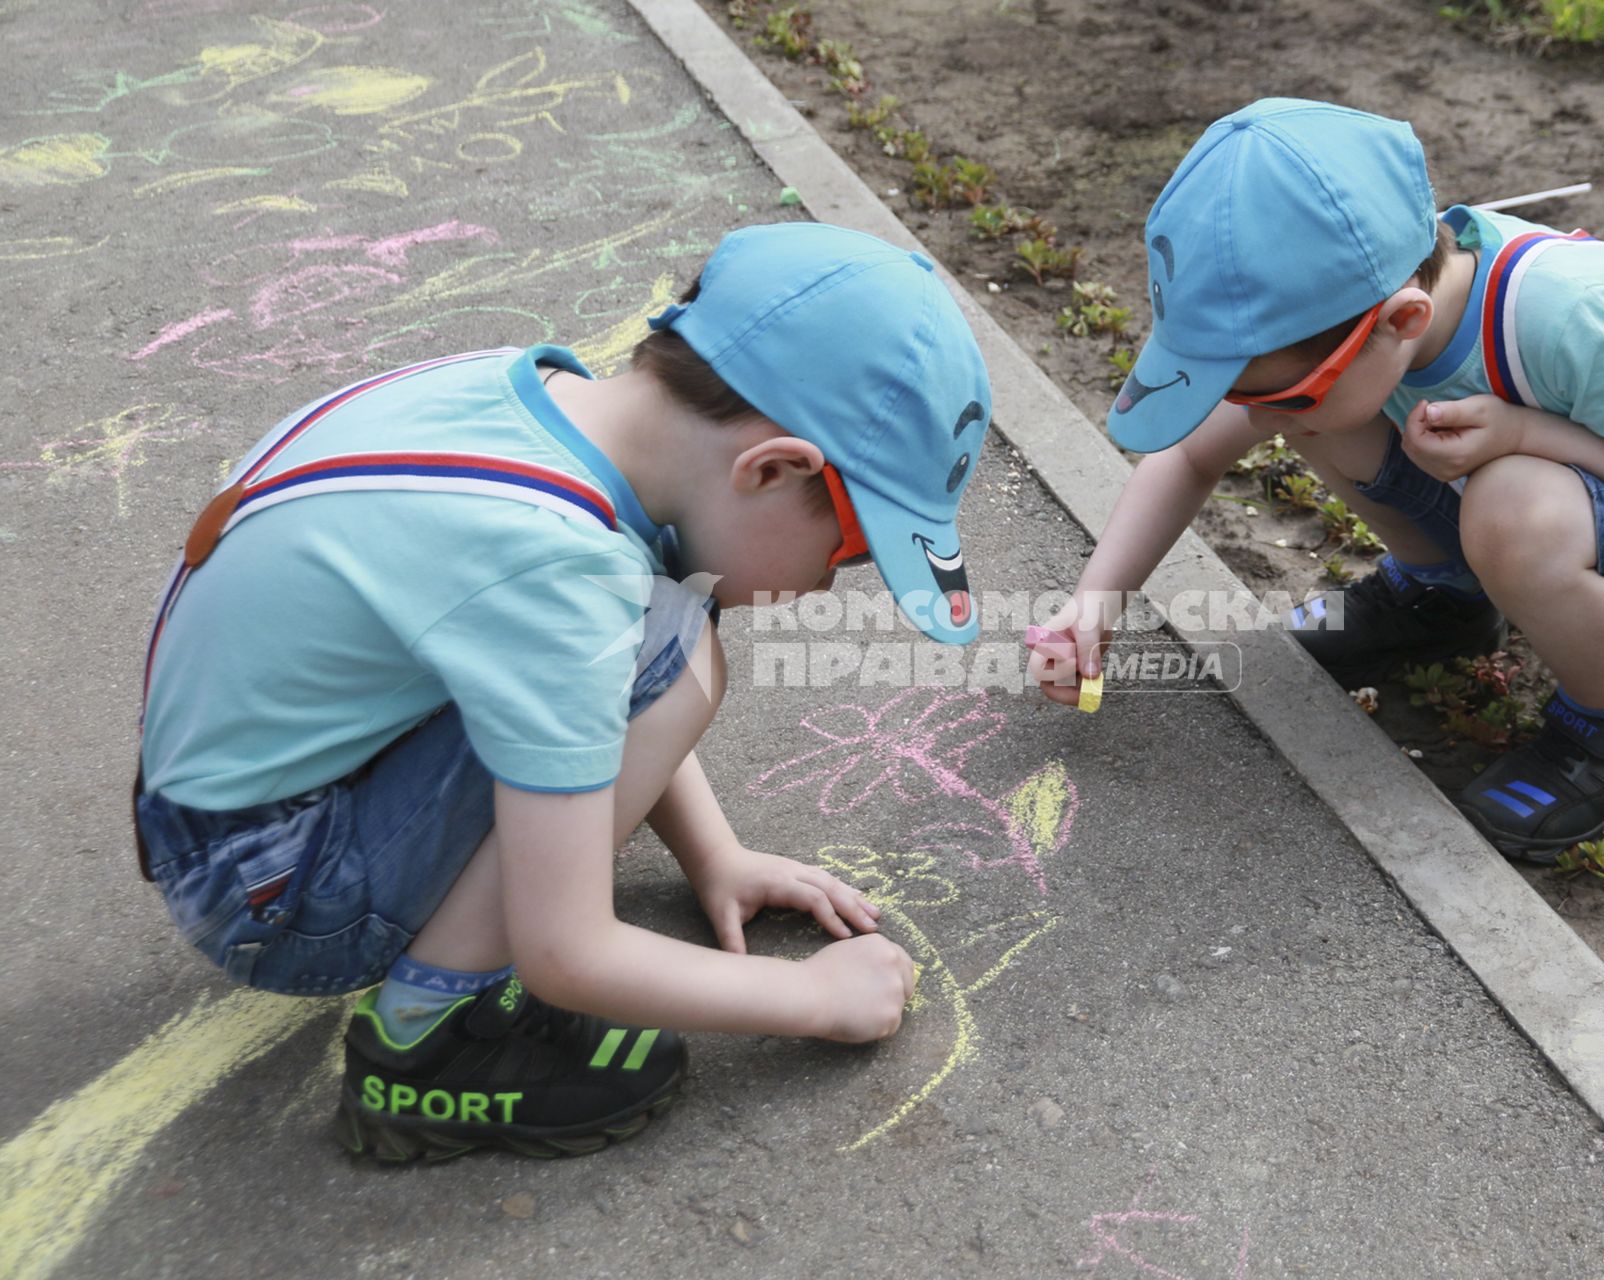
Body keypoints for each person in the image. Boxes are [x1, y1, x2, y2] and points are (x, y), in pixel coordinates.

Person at [135, 222, 994, 1161]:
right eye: (850, 549)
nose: (830, 585)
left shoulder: (533, 401)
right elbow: (568, 951)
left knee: (660, 628)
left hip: (226, 816)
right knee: (684, 645)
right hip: (282, 889)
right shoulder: (565, 573)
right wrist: (817, 1001)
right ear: (773, 468)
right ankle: (425, 1048)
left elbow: (571, 678)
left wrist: (717, 857)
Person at [1029, 98, 1604, 862]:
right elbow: (1193, 454)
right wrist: (1096, 602)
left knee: (1511, 497)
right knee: (1342, 418)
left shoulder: (1571, 316)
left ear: (1402, 321)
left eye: (1270, 393)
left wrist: (1528, 433)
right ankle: (1446, 603)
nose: (1249, 415)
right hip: (1555, 520)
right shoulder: (1368, 299)